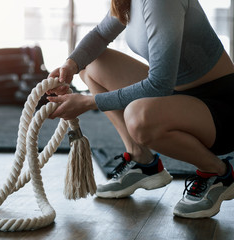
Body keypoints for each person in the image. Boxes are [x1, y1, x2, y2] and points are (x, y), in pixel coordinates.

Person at [46, 0, 234, 219]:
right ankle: (141, 161)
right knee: (90, 64)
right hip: (178, 94)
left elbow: (159, 84)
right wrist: (71, 64)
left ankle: (218, 173)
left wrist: (88, 102)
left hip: (220, 109)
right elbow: (100, 35)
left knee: (138, 117)